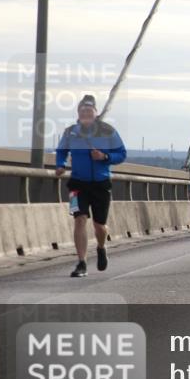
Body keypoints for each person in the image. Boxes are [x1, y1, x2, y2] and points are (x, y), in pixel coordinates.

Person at [54, 94, 127, 278]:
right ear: (78, 113)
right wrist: (60, 164)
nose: (85, 113)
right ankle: (82, 263)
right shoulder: (71, 132)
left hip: (101, 184)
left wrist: (105, 157)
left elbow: (122, 154)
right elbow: (61, 151)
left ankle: (101, 247)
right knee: (79, 219)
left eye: (89, 110)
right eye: (82, 110)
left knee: (100, 226)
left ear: (96, 113)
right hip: (76, 184)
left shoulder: (108, 131)